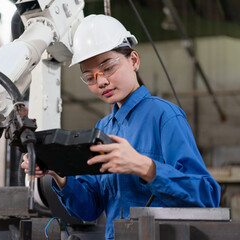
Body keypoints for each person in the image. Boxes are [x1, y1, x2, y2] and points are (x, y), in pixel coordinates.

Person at [21, 14, 221, 240]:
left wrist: (145, 167)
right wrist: (60, 174)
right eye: (90, 77)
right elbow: (90, 209)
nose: (101, 82)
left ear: (134, 60)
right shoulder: (103, 129)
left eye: (108, 68)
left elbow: (207, 196)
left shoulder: (164, 116)